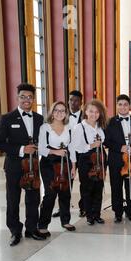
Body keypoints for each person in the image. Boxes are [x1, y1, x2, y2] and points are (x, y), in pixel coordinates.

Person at [0, 83, 46, 246]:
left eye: (29, 97)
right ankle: (15, 231)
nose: (26, 99)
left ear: (33, 99)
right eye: (23, 96)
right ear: (17, 98)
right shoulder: (7, 118)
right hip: (14, 166)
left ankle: (31, 229)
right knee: (13, 199)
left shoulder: (39, 119)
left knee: (33, 197)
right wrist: (21, 149)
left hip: (33, 166)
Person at [38, 101, 76, 236]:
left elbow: (72, 148)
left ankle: (65, 220)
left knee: (65, 192)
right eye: (56, 110)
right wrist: (55, 152)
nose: (59, 113)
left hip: (65, 162)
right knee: (50, 194)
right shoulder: (45, 128)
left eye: (62, 110)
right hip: (49, 162)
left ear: (66, 113)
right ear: (52, 112)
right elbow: (41, 148)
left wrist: (73, 166)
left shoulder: (69, 127)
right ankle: (42, 224)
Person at [104, 95, 131, 223]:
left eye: (125, 104)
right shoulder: (109, 122)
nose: (122, 107)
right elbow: (106, 141)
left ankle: (130, 211)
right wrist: (119, 148)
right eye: (120, 104)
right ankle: (118, 212)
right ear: (117, 106)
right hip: (116, 160)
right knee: (116, 187)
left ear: (129, 106)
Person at [70, 99, 107, 226]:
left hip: (100, 158)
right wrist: (90, 145)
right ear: (85, 111)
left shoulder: (100, 126)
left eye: (97, 112)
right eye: (91, 111)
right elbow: (75, 147)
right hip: (86, 159)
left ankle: (97, 214)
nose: (94, 114)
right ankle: (89, 215)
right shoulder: (79, 127)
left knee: (99, 187)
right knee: (87, 188)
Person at [52, 90, 85, 218]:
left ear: (81, 102)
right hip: (65, 154)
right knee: (65, 183)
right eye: (71, 100)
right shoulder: (62, 116)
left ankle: (84, 208)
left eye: (76, 100)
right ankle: (63, 209)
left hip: (82, 153)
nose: (73, 103)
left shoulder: (86, 116)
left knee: (84, 182)